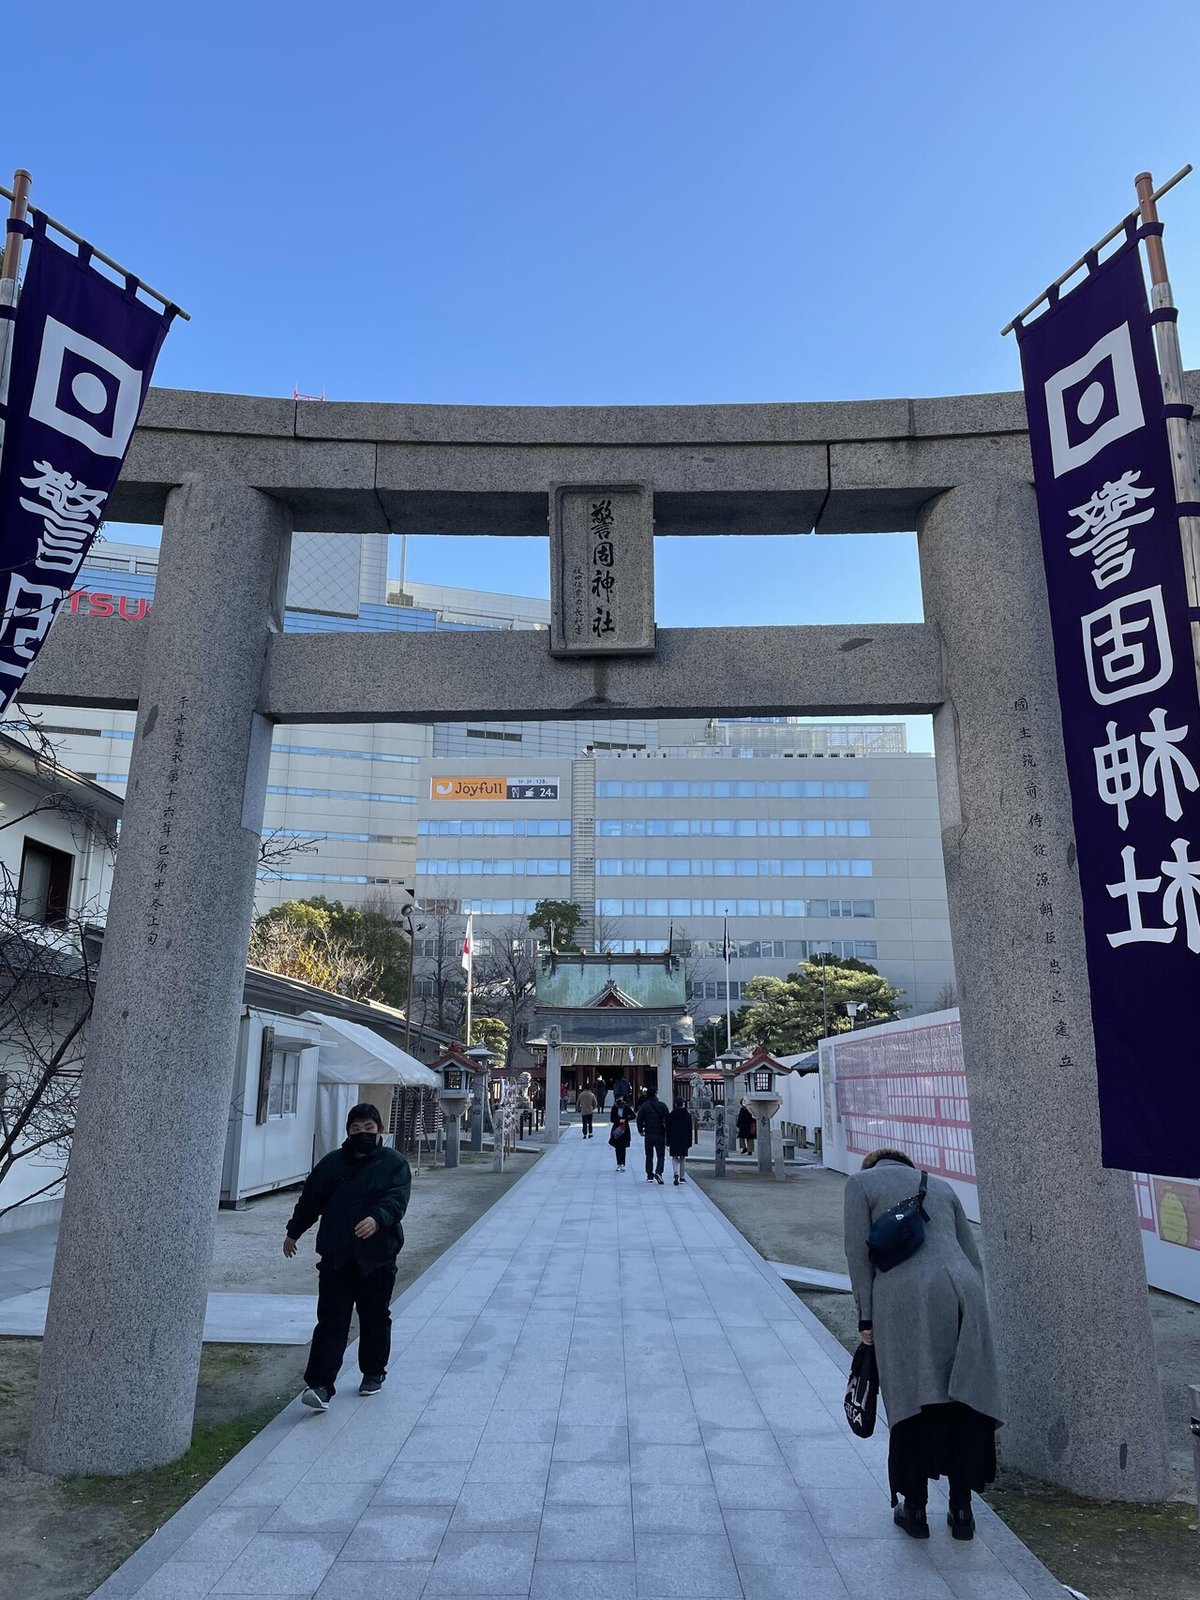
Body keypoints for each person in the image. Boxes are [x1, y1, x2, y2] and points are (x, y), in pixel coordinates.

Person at [843, 1148, 1002, 1542]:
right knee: (961, 1396)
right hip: (964, 1290)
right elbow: (972, 1254)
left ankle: (914, 1507)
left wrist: (866, 1317)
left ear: (874, 1164)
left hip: (905, 1296)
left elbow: (857, 1255)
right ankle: (962, 1510)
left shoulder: (860, 1184)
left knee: (914, 1398)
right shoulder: (942, 1186)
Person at [283, 1103, 411, 1410]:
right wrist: (293, 1232)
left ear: (380, 1130)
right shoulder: (331, 1164)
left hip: (378, 1255)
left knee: (374, 1315)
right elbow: (310, 1200)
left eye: (369, 1129)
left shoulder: (394, 1163)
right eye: (356, 1129)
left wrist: (378, 1218)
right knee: (330, 1320)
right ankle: (320, 1385)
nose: (363, 1134)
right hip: (336, 1254)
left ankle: (373, 1372)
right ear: (347, 1132)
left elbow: (397, 1199)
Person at [636, 1085, 669, 1184]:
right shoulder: (662, 1105)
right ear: (655, 1094)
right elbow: (667, 1119)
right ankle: (659, 1172)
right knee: (660, 1155)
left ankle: (649, 1175)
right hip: (660, 1133)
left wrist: (640, 1130)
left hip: (649, 1133)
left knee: (649, 1155)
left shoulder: (644, 1106)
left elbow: (639, 1119)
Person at [666, 1096, 693, 1185]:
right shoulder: (687, 1115)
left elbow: (668, 1129)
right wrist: (690, 1141)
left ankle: (675, 1172)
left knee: (674, 1157)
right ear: (683, 1104)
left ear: (675, 1104)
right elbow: (690, 1129)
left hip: (674, 1138)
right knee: (682, 1158)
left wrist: (668, 1141)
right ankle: (682, 1177)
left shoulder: (671, 1115)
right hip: (684, 1138)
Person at [609, 1098, 632, 1171]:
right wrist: (618, 1120)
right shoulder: (614, 1108)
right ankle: (618, 1163)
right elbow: (612, 1119)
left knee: (623, 1147)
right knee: (617, 1147)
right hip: (617, 1128)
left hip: (625, 1128)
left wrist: (626, 1119)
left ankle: (622, 1163)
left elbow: (633, 1115)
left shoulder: (626, 1107)